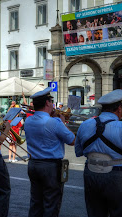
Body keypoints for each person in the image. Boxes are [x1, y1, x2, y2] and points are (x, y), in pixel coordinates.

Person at [75, 89, 122, 217]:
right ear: (119, 109)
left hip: (91, 174)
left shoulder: (85, 124)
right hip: (117, 177)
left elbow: (78, 152)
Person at [24, 87, 75, 217]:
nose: (53, 105)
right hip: (50, 167)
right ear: (47, 103)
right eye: (51, 102)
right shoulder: (54, 122)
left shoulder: (28, 120)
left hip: (34, 164)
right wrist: (63, 123)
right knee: (51, 204)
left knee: (35, 203)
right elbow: (72, 140)